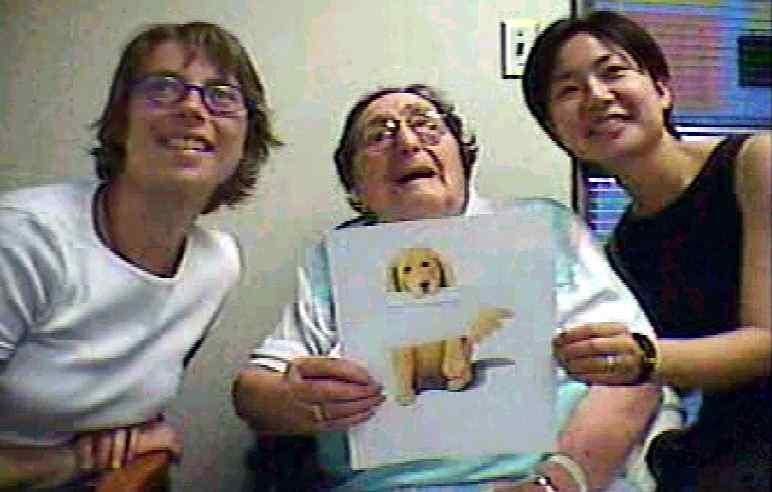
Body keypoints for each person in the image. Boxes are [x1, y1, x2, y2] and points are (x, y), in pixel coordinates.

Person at [233, 84, 677, 492]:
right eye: (379, 136)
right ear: (355, 186)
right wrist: (295, 400)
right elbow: (252, 393)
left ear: (462, 158)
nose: (408, 143)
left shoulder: (543, 229)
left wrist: (557, 483)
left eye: (426, 125)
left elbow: (634, 375)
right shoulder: (334, 259)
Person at [0, 21, 281, 489]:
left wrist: (134, 432)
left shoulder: (217, 265)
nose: (192, 107)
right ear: (120, 121)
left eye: (221, 96)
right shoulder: (24, 239)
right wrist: (71, 463)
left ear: (247, 140)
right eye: (163, 88)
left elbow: (136, 401)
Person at [522, 11, 770, 491]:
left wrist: (644, 358)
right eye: (569, 90)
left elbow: (766, 340)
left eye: (613, 72)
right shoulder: (620, 251)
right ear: (557, 132)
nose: (597, 96)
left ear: (661, 89)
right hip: (726, 442)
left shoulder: (755, 164)